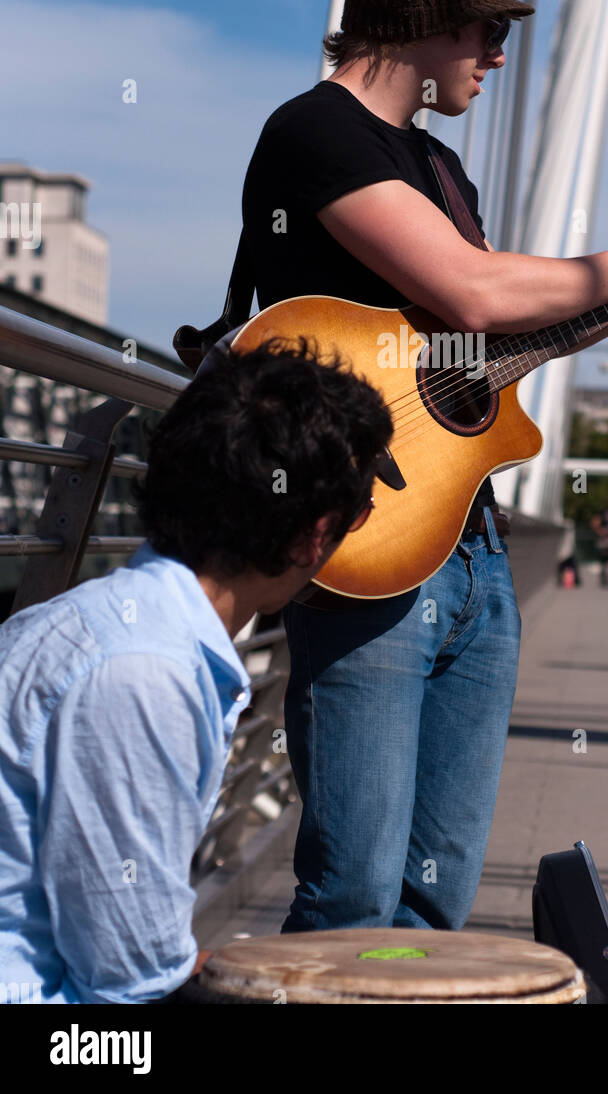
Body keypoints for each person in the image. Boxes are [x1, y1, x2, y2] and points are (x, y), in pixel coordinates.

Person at [240, 0, 608, 931]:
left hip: (470, 550)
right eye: (485, 27)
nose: (498, 55)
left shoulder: (440, 166)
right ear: (416, 12)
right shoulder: (315, 134)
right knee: (354, 893)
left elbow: (480, 346)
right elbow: (471, 291)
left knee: (433, 898)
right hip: (367, 551)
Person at [0, 342, 392, 1002]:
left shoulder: (105, 625)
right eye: (360, 514)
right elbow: (129, 980)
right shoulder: (142, 675)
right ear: (312, 536)